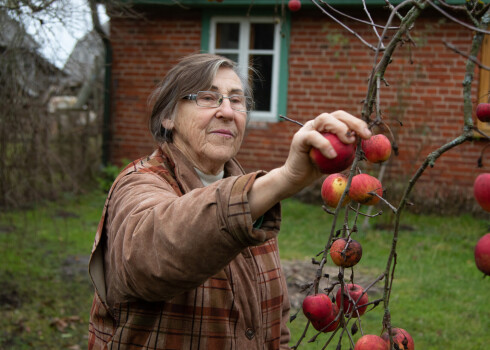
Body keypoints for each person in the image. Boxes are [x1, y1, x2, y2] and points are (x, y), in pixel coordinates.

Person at [87, 53, 371, 350]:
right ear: (168, 117)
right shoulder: (139, 183)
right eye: (208, 97)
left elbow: (273, 325)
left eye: (237, 101)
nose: (227, 111)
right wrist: (283, 180)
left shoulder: (254, 197)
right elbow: (150, 258)